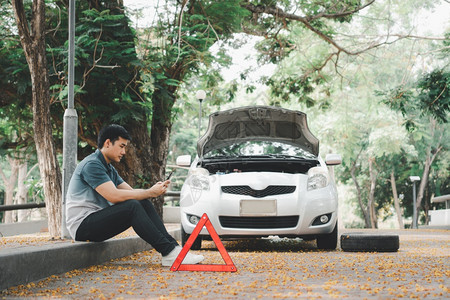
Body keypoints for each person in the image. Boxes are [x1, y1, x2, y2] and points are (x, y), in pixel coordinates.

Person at [65, 124, 203, 267]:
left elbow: (131, 192)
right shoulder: (92, 165)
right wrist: (150, 192)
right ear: (107, 143)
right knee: (132, 206)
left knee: (142, 203)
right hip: (82, 227)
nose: (124, 152)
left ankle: (173, 250)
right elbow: (114, 196)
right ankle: (169, 252)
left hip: (96, 222)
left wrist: (153, 190)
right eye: (121, 146)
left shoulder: (109, 168)